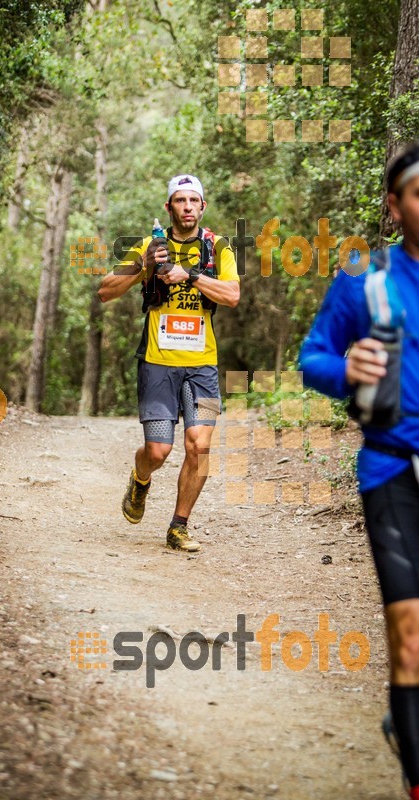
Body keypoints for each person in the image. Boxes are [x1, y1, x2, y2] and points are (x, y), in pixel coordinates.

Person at [299, 142, 419, 799]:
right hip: (390, 472)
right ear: (394, 207)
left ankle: (406, 721)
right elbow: (311, 357)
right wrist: (343, 370)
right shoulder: (363, 279)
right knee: (409, 636)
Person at [98, 174, 240, 551]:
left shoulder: (218, 247)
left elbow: (232, 295)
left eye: (194, 201)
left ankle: (179, 526)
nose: (188, 207)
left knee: (200, 447)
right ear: (169, 207)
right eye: (181, 200)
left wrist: (190, 275)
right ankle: (140, 478)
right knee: (158, 451)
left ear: (203, 207)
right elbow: (104, 291)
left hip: (203, 367)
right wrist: (142, 267)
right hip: (157, 363)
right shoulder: (150, 245)